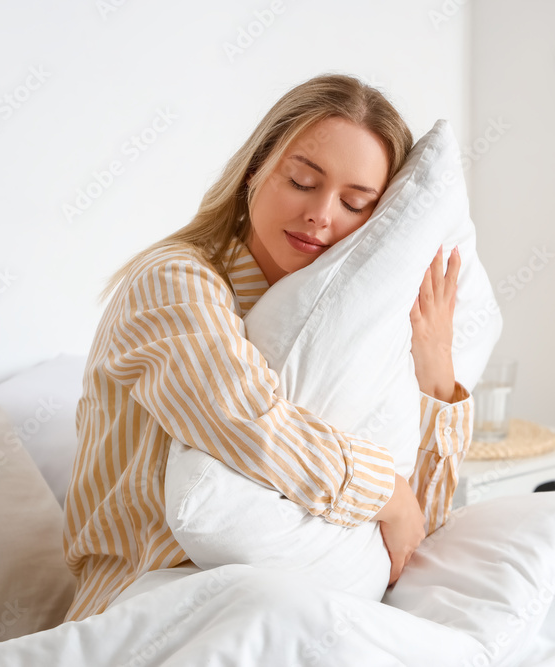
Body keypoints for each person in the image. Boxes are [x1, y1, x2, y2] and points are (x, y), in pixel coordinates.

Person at [62, 74, 474, 623]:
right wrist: (387, 493)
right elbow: (248, 423)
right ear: (257, 168)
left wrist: (437, 374)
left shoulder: (348, 336)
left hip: (300, 613)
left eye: (355, 203)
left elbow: (419, 534)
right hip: (146, 607)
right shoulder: (174, 282)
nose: (322, 215)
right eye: (303, 181)